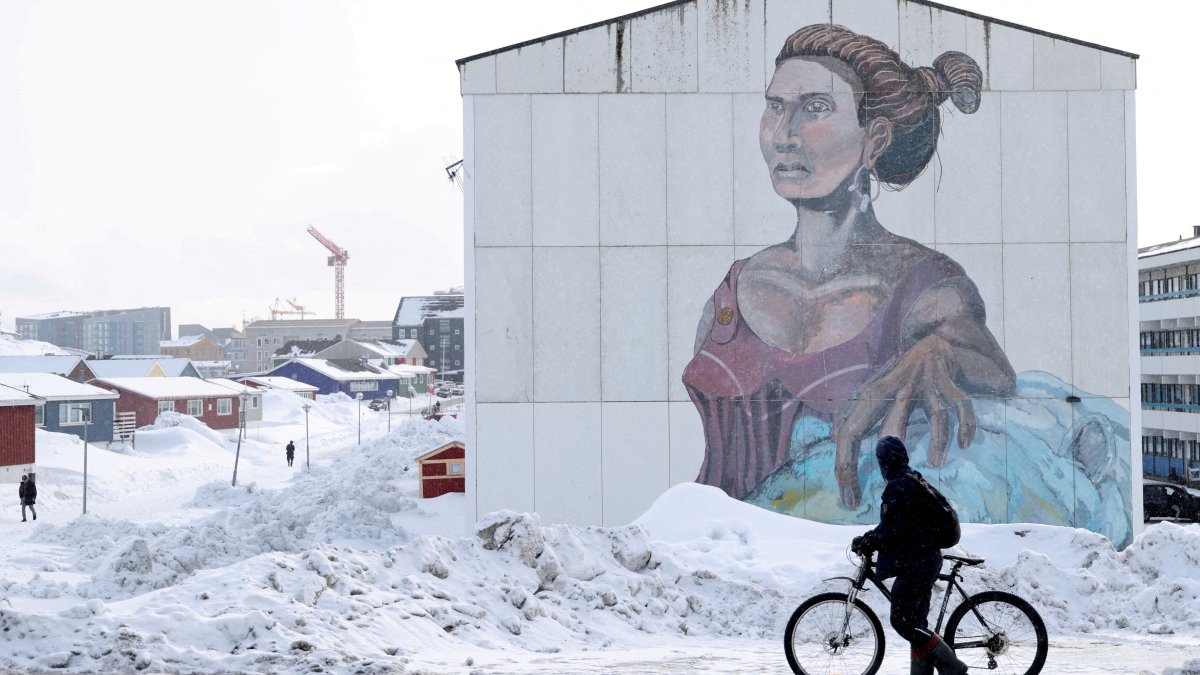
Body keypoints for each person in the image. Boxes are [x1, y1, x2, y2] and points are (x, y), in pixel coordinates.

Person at [683, 23, 1015, 509]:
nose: (783, 134)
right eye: (775, 107)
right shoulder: (732, 291)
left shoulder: (924, 285)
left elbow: (995, 370)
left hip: (841, 557)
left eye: (814, 108)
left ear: (875, 138)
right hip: (722, 561)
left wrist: (936, 351)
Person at [853, 436, 967, 674]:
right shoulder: (911, 479)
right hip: (925, 558)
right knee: (917, 624)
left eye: (881, 460)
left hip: (917, 563)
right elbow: (898, 524)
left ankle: (952, 667)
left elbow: (894, 529)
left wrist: (871, 540)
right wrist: (872, 536)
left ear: (886, 461)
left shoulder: (898, 486)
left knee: (902, 620)